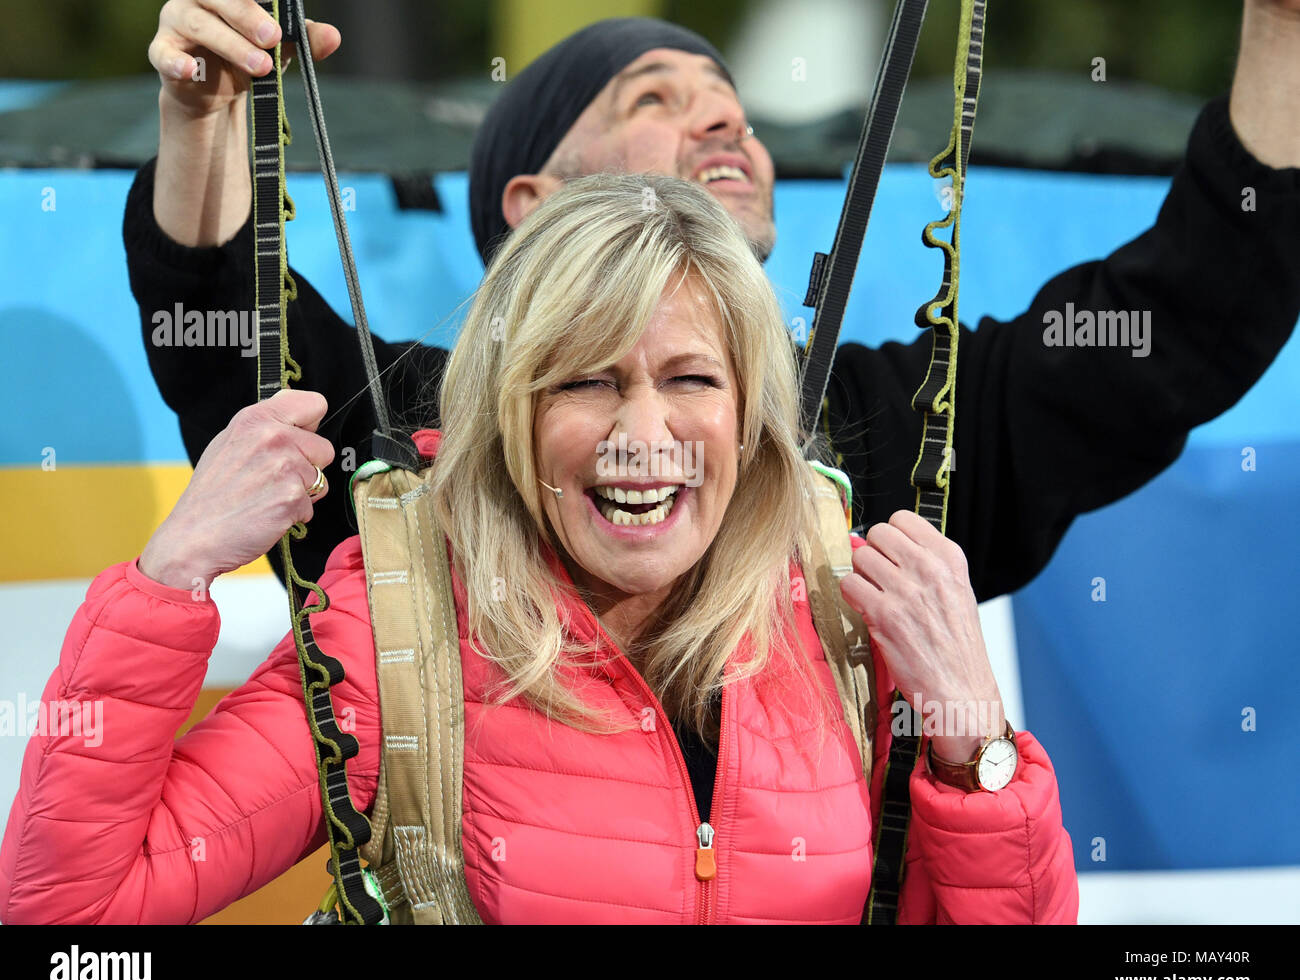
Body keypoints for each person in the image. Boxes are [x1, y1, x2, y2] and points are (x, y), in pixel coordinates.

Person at [0, 174, 1077, 924]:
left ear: (752, 414)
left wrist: (971, 747)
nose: (643, 435)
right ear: (511, 411)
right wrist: (170, 576)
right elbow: (71, 913)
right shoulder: (401, 630)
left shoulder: (847, 618)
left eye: (690, 379)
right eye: (587, 379)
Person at [128, 4, 1300, 601]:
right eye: (656, 96)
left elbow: (1194, 302)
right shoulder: (414, 431)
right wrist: (202, 115)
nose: (726, 121)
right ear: (533, 203)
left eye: (731, 102)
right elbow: (231, 327)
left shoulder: (883, 425)